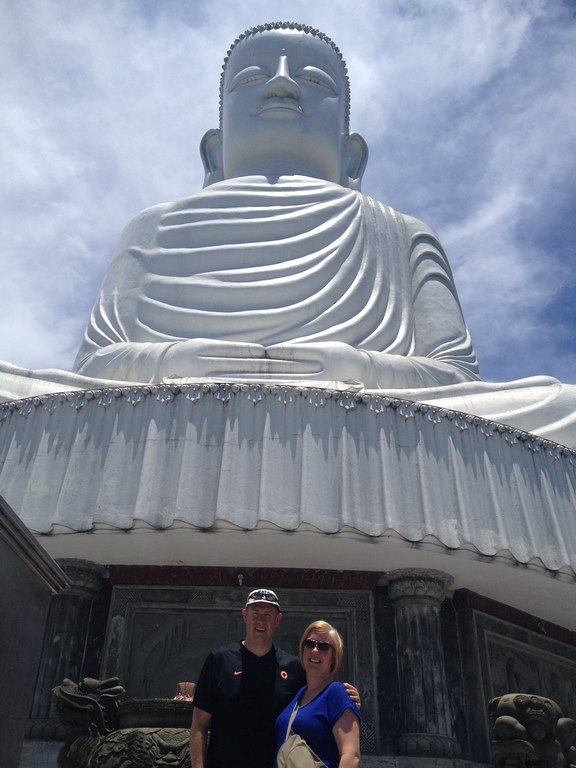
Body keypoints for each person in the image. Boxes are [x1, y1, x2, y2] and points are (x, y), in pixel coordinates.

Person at [1, 21, 576, 449]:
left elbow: (455, 377)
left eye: (313, 79)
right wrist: (178, 359)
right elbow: (95, 367)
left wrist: (360, 369)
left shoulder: (399, 231)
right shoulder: (153, 225)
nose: (281, 84)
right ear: (214, 151)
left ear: (352, 155)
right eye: (252, 77)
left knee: (561, 408)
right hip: (160, 403)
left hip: (366, 407)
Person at [189, 588, 359, 768]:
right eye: (255, 613)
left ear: (278, 619)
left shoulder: (294, 668)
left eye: (267, 614)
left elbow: (319, 700)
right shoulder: (219, 660)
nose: (261, 620)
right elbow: (199, 725)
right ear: (245, 616)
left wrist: (346, 703)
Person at [275, 620, 361, 768]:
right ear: (302, 650)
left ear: (333, 657)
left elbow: (351, 755)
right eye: (309, 644)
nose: (315, 650)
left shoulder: (336, 693)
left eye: (323, 646)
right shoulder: (299, 694)